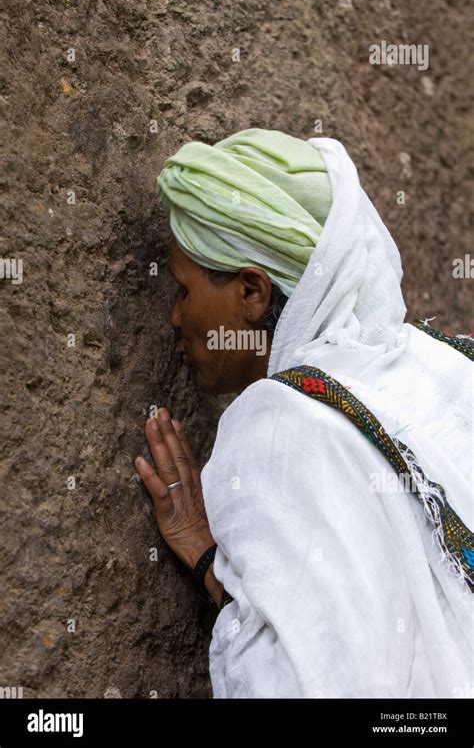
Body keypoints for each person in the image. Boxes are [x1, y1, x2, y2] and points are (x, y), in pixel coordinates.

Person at [134, 129, 473, 698]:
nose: (174, 317)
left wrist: (206, 559)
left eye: (184, 291)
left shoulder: (278, 422)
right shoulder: (442, 363)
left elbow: (305, 682)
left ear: (251, 294)